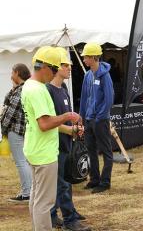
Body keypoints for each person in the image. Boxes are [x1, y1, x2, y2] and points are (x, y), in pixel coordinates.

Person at [21, 46, 81, 231]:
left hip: (35, 149)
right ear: (45, 67)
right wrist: (67, 117)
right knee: (44, 203)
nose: (55, 74)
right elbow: (45, 123)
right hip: (43, 153)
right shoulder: (38, 90)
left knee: (37, 197)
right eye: (55, 69)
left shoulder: (30, 86)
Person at [47, 47, 90, 231]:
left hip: (65, 143)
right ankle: (69, 220)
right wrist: (71, 130)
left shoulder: (63, 88)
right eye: (66, 65)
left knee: (65, 181)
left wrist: (76, 128)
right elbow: (49, 123)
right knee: (62, 184)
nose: (70, 68)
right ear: (57, 67)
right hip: (54, 145)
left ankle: (55, 214)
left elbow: (67, 115)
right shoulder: (48, 91)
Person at [80, 42, 114, 194]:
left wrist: (100, 116)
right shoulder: (87, 76)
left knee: (106, 151)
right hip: (88, 119)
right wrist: (82, 117)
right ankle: (94, 179)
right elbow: (84, 98)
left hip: (100, 120)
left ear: (93, 57)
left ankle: (105, 182)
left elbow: (109, 98)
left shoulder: (105, 75)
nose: (84, 59)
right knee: (90, 150)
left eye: (86, 57)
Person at [1, 63, 32, 203]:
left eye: (12, 72)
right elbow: (7, 104)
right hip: (22, 130)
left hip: (15, 130)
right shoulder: (22, 88)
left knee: (21, 162)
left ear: (17, 73)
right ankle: (29, 191)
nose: (10, 75)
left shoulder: (20, 90)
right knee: (24, 161)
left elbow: (10, 112)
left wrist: (3, 129)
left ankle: (27, 193)